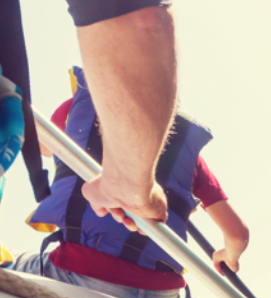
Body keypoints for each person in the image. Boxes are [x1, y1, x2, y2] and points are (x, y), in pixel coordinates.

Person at [10, 65, 249, 298]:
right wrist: (227, 256)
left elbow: (40, 146)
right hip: (161, 297)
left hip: (83, 274)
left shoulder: (79, 109)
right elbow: (238, 235)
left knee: (10, 261)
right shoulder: (190, 159)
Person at [0, 0, 181, 225]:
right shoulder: (185, 155)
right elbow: (138, 22)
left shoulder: (69, 111)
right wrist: (125, 182)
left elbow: (43, 148)